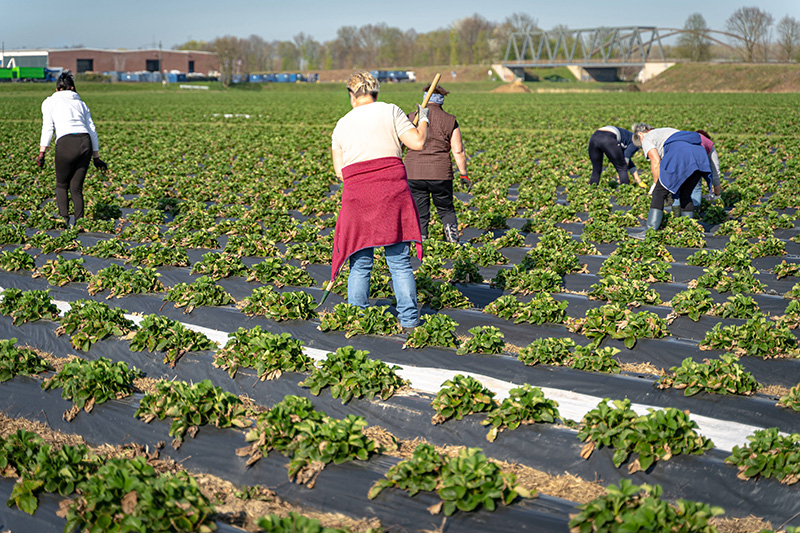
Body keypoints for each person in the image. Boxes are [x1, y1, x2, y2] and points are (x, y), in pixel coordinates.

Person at [330, 71, 428, 330]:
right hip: (391, 194)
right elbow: (417, 142)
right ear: (377, 92)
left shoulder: (341, 125)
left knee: (360, 262)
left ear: (352, 95)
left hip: (357, 198)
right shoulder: (391, 111)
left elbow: (340, 172)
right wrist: (424, 119)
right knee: (398, 262)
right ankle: (408, 320)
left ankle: (357, 318)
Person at [37, 72, 106, 225]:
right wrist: (96, 156)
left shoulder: (49, 102)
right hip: (85, 143)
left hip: (66, 142)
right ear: (73, 88)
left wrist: (42, 152)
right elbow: (92, 129)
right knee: (76, 188)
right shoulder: (81, 103)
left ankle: (64, 220)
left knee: (62, 185)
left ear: (57, 89)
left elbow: (48, 128)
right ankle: (80, 223)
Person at [404, 84, 468, 243]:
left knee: (420, 211)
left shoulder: (411, 118)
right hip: (440, 173)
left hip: (414, 173)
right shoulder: (450, 120)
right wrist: (463, 174)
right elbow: (458, 150)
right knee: (446, 209)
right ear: (441, 101)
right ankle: (453, 242)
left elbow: (400, 144)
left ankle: (420, 243)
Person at [631, 123, 711, 237]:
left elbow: (655, 161)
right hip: (700, 156)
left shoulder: (647, 138)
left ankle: (650, 232)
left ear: (640, 134)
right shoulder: (668, 130)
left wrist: (656, 183)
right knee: (685, 194)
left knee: (658, 193)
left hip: (681, 156)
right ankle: (688, 230)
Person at [670, 129, 722, 214]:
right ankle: (694, 216)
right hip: (696, 163)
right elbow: (715, 170)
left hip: (679, 159)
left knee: (677, 186)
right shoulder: (708, 143)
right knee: (696, 187)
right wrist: (717, 195)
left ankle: (676, 218)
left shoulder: (685, 138)